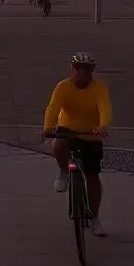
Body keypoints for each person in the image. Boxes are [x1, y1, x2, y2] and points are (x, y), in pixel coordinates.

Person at [41, 53, 112, 237]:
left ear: (92, 72)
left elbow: (104, 107)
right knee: (58, 145)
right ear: (72, 69)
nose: (81, 72)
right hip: (67, 130)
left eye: (86, 69)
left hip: (91, 134)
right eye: (77, 68)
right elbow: (53, 107)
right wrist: (47, 128)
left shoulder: (99, 87)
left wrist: (103, 126)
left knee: (92, 176)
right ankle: (63, 171)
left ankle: (95, 218)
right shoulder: (63, 86)